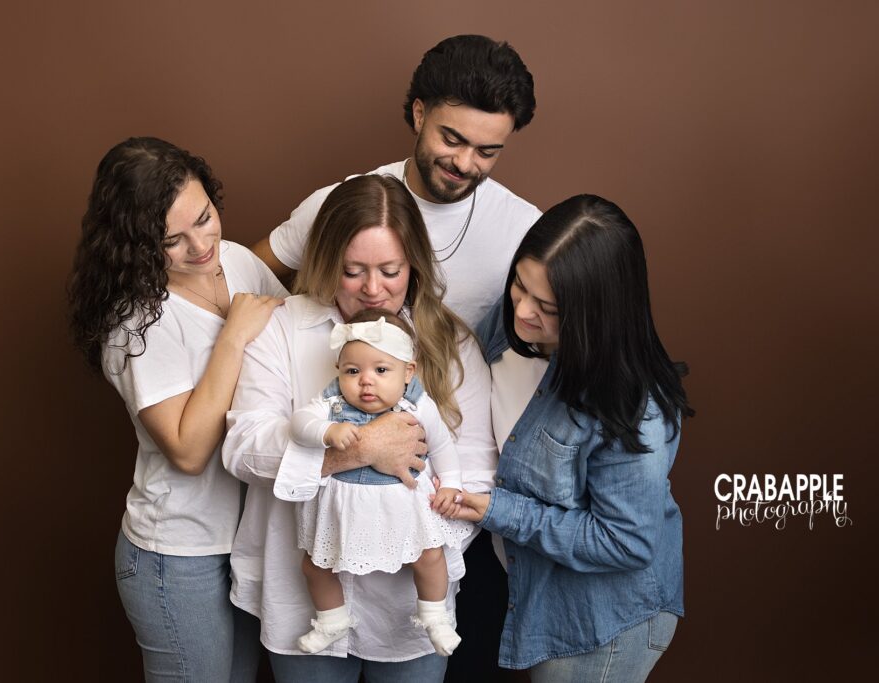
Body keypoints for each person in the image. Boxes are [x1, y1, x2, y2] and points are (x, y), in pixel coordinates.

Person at [223, 174, 497, 682]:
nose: (374, 290)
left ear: (413, 265)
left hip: (411, 609)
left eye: (390, 271)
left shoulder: (451, 344)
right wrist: (359, 450)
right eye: (353, 271)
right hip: (301, 601)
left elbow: (477, 472)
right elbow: (243, 448)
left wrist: (406, 541)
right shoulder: (281, 328)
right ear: (327, 262)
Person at [446, 195, 694, 682]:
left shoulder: (633, 406)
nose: (522, 312)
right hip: (519, 585)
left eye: (548, 308)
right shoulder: (505, 323)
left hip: (600, 620)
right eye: (520, 285)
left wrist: (497, 510)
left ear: (597, 312)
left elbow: (624, 542)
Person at [67, 137, 286, 682]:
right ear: (139, 246)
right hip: (176, 556)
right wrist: (232, 338)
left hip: (248, 542)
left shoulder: (237, 261)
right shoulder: (137, 320)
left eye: (205, 217)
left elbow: (291, 354)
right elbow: (188, 451)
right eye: (173, 239)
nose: (201, 245)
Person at [251, 33, 541, 329]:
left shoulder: (525, 229)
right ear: (419, 115)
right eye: (452, 139)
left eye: (486, 151)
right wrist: (283, 332)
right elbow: (242, 273)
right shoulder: (340, 205)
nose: (464, 163)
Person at [287, 309, 473, 656]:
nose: (366, 381)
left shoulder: (418, 404)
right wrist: (326, 430)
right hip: (346, 505)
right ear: (339, 372)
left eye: (381, 370)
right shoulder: (332, 403)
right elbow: (298, 423)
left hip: (403, 501)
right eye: (352, 371)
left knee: (430, 557)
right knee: (314, 565)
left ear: (408, 372)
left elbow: (443, 445)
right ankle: (331, 619)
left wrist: (450, 483)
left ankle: (434, 615)